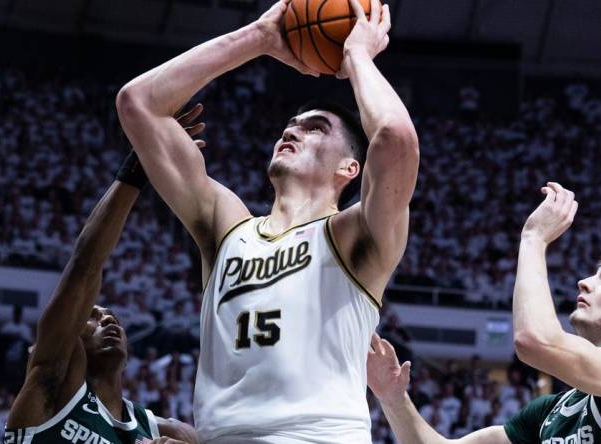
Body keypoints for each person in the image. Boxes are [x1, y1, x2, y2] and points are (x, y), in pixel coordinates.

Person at [116, 0, 419, 441]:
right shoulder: (226, 227)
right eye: (289, 126)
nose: (290, 131)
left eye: (315, 127)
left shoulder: (355, 235)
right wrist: (260, 37)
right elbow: (137, 103)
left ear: (349, 169)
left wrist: (355, 56)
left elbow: (395, 138)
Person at [366, 182, 601, 443]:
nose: (584, 282)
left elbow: (534, 341)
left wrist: (534, 237)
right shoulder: (549, 413)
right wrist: (392, 397)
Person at [4, 110, 205, 443]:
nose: (109, 320)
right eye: (94, 318)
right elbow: (85, 264)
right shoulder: (50, 393)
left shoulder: (164, 430)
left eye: (112, 317)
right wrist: (139, 165)